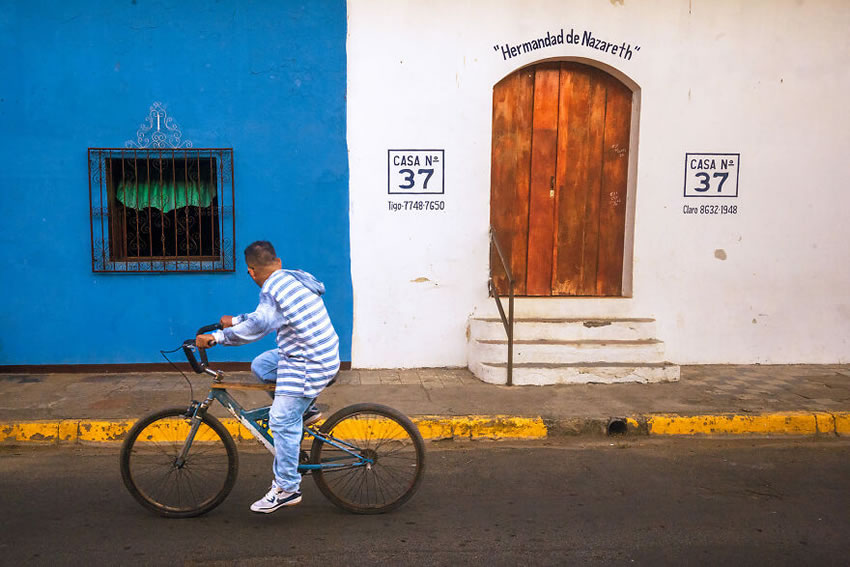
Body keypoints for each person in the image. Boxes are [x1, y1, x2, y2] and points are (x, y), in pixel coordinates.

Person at [196, 240, 340, 513]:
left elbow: (260, 325)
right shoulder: (290, 277)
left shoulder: (272, 291)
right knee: (262, 365)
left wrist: (216, 338)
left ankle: (287, 488)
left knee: (281, 419)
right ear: (277, 262)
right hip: (318, 352)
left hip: (310, 363)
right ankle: (305, 410)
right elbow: (266, 316)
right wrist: (236, 320)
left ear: (251, 271)